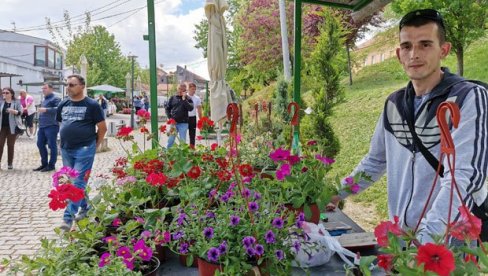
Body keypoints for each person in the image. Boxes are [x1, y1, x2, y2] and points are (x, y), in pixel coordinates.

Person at [330, 9, 488, 244]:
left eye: (425, 44)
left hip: (448, 243)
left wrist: (427, 241)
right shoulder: (394, 103)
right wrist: (334, 195)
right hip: (401, 238)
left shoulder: (468, 97)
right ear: (398, 54)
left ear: (443, 50)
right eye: (407, 46)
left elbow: (462, 177)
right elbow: (375, 162)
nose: (414, 54)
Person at [56, 75, 107, 231]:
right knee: (73, 183)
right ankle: (84, 208)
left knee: (77, 182)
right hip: (66, 148)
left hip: (84, 149)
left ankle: (68, 218)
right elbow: (60, 122)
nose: (68, 87)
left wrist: (95, 145)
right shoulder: (63, 103)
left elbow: (102, 128)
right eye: (67, 84)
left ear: (82, 86)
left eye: (72, 84)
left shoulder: (92, 105)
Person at [33, 83, 61, 172]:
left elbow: (59, 109)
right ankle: (44, 164)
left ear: (51, 89)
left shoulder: (56, 98)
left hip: (52, 125)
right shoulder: (44, 99)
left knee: (52, 145)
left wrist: (46, 110)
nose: (43, 90)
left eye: (45, 88)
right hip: (42, 126)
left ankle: (51, 165)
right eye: (42, 88)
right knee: (40, 143)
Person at [0, 87, 23, 170]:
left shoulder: (16, 102)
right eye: (3, 93)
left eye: (7, 93)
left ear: (11, 94)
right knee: (0, 145)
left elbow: (21, 112)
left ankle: (10, 163)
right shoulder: (1, 102)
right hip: (2, 127)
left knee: (10, 145)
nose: (4, 94)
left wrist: (14, 111)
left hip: (12, 127)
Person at [165, 83, 194, 148]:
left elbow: (190, 108)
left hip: (183, 123)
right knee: (171, 139)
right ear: (177, 89)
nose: (181, 91)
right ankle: (166, 153)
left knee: (182, 141)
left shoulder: (188, 99)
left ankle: (182, 155)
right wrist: (170, 118)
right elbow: (167, 108)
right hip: (173, 123)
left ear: (185, 91)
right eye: (180, 89)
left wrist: (184, 100)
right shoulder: (173, 98)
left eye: (183, 90)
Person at [187, 82, 203, 148]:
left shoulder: (197, 98)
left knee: (192, 134)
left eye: (194, 89)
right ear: (188, 89)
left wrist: (201, 120)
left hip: (193, 118)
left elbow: (199, 110)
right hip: (185, 117)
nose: (194, 91)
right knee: (183, 133)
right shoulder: (185, 97)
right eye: (192, 89)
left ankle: (192, 148)